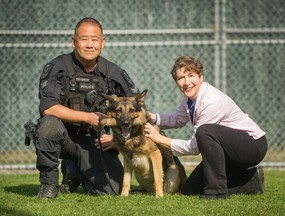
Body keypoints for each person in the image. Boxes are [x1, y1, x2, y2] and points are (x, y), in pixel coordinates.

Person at [34, 17, 139, 198]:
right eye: (83, 39)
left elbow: (136, 109)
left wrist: (117, 140)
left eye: (94, 39)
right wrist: (87, 117)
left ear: (102, 42)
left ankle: (75, 172)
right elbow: (48, 108)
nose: (89, 45)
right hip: (64, 138)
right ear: (74, 42)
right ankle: (48, 184)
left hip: (95, 142)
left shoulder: (113, 72)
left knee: (112, 191)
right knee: (48, 124)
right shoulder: (57, 67)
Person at [145, 56, 268, 199]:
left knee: (205, 132)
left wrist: (158, 138)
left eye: (191, 76)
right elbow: (178, 119)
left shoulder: (210, 101)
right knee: (190, 190)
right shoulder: (190, 97)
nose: (186, 82)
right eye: (181, 78)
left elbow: (194, 147)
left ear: (200, 77)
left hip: (252, 146)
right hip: (229, 150)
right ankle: (252, 181)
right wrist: (150, 117)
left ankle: (216, 192)